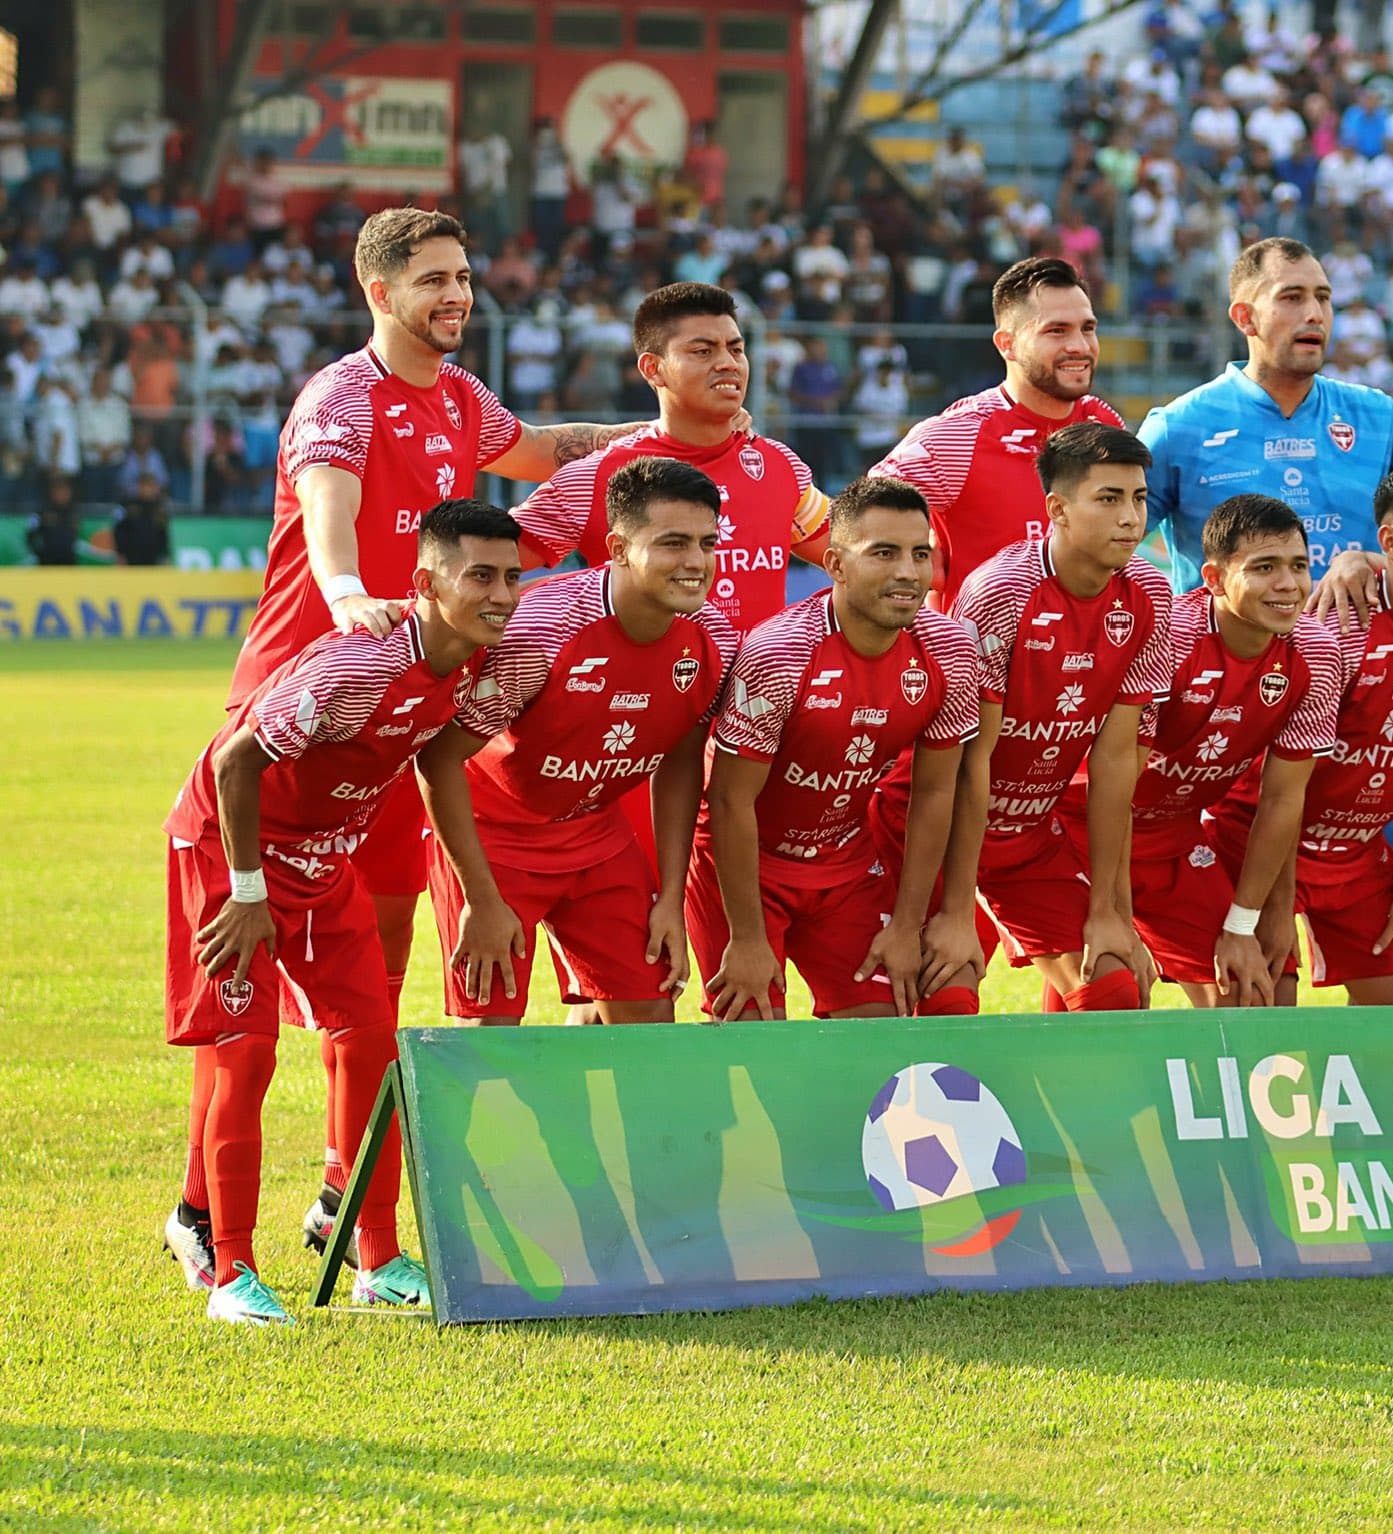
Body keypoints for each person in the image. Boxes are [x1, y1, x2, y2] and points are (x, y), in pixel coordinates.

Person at [229, 206, 645, 1260]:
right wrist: (344, 590)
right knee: (248, 991)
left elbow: (543, 449)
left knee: (375, 963)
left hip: (399, 716)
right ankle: (209, 1215)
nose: (456, 295)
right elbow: (328, 510)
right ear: (379, 292)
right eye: (433, 280)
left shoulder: (460, 398)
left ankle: (344, 1197)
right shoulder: (340, 397)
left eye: (462, 276)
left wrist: (657, 428)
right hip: (304, 699)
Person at [160, 499, 523, 1323]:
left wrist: (481, 894)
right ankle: (233, 1274)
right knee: (244, 1056)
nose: (501, 594)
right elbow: (234, 761)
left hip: (325, 861)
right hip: (230, 855)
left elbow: (438, 762)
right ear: (425, 583)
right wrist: (249, 891)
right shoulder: (357, 666)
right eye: (480, 577)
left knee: (369, 1046)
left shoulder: (476, 662)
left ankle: (378, 1257)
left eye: (511, 576)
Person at [417, 459, 736, 1025]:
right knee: (490, 1037)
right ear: (617, 547)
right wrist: (480, 897)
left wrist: (669, 895)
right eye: (673, 543)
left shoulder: (713, 638)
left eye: (706, 543)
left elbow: (683, 761)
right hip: (496, 838)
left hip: (597, 835)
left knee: (650, 1023)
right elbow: (439, 758)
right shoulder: (540, 633)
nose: (695, 562)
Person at [1137, 238, 1393, 620]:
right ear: (1245, 318)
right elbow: (1109, 546)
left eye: (1323, 298)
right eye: (1292, 298)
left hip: (1360, 668)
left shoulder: (1376, 415)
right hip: (1224, 679)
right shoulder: (1179, 427)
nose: (1314, 314)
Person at [906, 423, 1173, 1014]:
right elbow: (968, 763)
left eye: (1138, 498)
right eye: (1108, 499)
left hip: (1028, 834)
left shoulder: (1151, 593)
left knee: (1114, 987)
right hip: (935, 825)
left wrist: (1111, 911)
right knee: (943, 999)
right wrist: (956, 911)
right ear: (1057, 508)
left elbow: (1114, 761)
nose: (1130, 518)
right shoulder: (1001, 592)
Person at [694, 478, 980, 1021]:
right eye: (884, 553)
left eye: (920, 554)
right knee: (751, 1035)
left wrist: (905, 924)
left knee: (881, 1030)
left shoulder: (949, 647)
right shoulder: (779, 653)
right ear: (835, 564)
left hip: (845, 865)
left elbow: (938, 789)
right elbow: (729, 803)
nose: (907, 572)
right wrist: (748, 938)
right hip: (746, 864)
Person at [1211, 461, 1393, 1006]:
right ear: (1391, 542)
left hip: (1358, 860)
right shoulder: (1335, 628)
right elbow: (1282, 789)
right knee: (1261, 1022)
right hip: (1262, 848)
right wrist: (1276, 905)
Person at [1069, 493, 1342, 1008]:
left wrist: (1249, 921)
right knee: (1111, 991)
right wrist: (1118, 916)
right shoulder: (1170, 637)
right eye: (1265, 567)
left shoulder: (1317, 652)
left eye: (1299, 566)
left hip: (1174, 838)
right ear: (1214, 580)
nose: (1288, 585)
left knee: (1250, 995)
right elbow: (1117, 783)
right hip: (1083, 833)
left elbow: (1283, 800)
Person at [511, 282, 828, 632]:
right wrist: (573, 595)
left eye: (736, 349)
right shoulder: (598, 475)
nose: (728, 363)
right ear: (652, 368)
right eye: (703, 352)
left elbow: (859, 554)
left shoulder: (779, 464)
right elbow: (480, 568)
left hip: (755, 687)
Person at [872, 256, 1124, 607]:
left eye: (1088, 328)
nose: (1080, 346)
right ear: (1006, 343)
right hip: (976, 659)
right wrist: (911, 549)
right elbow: (860, 520)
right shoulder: (959, 434)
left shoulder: (1105, 424)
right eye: (1056, 330)